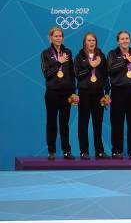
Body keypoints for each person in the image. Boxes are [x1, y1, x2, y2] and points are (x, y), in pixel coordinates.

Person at [107, 30, 131, 159]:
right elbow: (110, 70)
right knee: (117, 123)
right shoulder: (112, 54)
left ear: (130, 40)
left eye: (127, 38)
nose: (125, 41)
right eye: (122, 39)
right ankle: (116, 150)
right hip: (118, 92)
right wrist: (125, 62)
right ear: (118, 41)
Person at [40, 26, 75, 160]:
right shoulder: (45, 53)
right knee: (52, 122)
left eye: (60, 36)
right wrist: (57, 63)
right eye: (55, 36)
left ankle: (67, 151)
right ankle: (51, 151)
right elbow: (46, 73)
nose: (58, 38)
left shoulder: (68, 52)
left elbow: (72, 73)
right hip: (52, 93)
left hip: (67, 93)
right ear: (50, 38)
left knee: (64, 123)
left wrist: (73, 92)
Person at [74, 32, 110, 159]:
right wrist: (91, 65)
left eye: (93, 40)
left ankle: (99, 151)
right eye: (89, 40)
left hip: (98, 94)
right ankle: (84, 151)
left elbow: (106, 76)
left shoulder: (101, 56)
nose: (91, 42)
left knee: (97, 123)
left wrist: (107, 93)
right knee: (83, 123)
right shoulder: (79, 57)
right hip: (84, 93)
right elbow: (78, 74)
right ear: (85, 42)